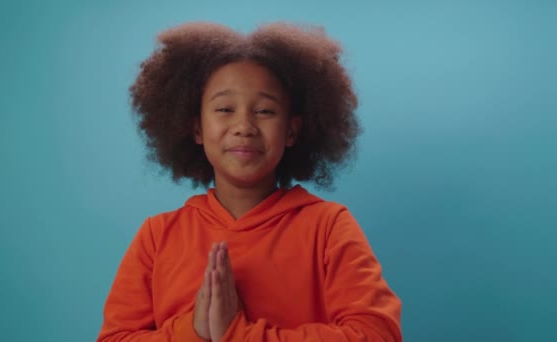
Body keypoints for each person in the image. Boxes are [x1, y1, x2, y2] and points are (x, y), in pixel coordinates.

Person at [97, 22, 402, 342]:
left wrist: (238, 334)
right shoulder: (157, 237)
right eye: (225, 109)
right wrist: (194, 330)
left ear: (292, 131)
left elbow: (376, 334)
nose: (244, 125)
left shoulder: (328, 227)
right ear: (196, 128)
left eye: (265, 110)